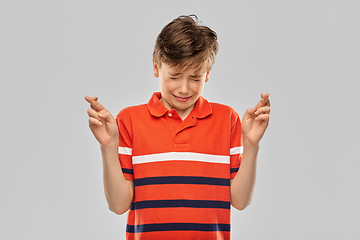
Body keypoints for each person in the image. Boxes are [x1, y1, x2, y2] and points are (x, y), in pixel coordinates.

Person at [85, 15, 270, 240]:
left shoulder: (227, 119)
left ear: (208, 73)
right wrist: (108, 146)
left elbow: (240, 201)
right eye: (174, 76)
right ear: (156, 66)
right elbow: (118, 205)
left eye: (195, 78)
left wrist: (251, 144)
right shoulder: (129, 121)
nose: (184, 89)